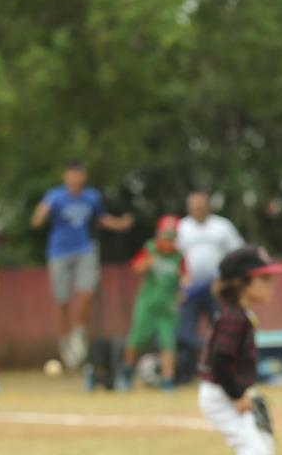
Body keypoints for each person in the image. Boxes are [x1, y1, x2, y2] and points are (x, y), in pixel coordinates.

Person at [188, 246, 282, 455]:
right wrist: (236, 395)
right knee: (255, 454)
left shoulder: (240, 314)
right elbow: (220, 360)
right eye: (264, 278)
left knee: (262, 440)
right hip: (220, 395)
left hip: (228, 390)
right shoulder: (234, 318)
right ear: (242, 283)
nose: (272, 284)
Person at [31, 160, 133, 369]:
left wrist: (119, 224)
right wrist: (40, 216)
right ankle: (64, 339)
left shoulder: (91, 197)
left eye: (79, 174)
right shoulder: (55, 196)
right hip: (59, 252)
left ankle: (79, 332)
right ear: (65, 176)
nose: (75, 178)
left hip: (85, 249)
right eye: (71, 174)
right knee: (62, 299)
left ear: (83, 177)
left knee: (87, 292)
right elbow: (39, 216)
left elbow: (101, 219)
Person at [175, 190, 244, 376]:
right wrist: (179, 284)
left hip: (217, 288)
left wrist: (229, 281)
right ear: (188, 208)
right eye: (194, 207)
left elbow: (237, 254)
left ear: (208, 207)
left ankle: (226, 370)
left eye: (201, 206)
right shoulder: (181, 228)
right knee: (184, 332)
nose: (198, 210)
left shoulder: (222, 226)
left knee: (225, 329)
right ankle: (190, 371)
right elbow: (172, 259)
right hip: (190, 289)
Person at [121, 216, 187, 391]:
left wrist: (182, 293)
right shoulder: (150, 248)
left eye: (172, 236)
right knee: (136, 340)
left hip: (167, 308)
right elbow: (135, 268)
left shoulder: (179, 256)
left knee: (168, 342)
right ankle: (126, 374)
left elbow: (186, 279)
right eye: (166, 236)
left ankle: (167, 381)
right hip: (147, 304)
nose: (169, 240)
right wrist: (149, 261)